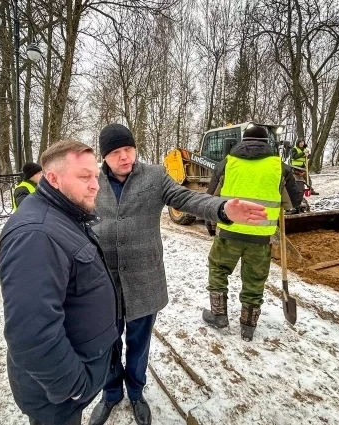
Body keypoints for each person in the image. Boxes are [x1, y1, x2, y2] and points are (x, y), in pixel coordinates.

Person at [89, 123, 268, 425]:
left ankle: (135, 393)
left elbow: (187, 199)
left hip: (144, 280)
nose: (124, 157)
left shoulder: (154, 176)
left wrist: (223, 208)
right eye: (116, 152)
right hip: (102, 283)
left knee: (138, 344)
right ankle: (110, 394)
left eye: (128, 149)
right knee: (106, 344)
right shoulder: (91, 181)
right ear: (104, 156)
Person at [0, 140, 119, 425]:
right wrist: (73, 386)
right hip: (56, 398)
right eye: (84, 177)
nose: (95, 185)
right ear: (53, 179)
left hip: (64, 389)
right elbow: (31, 334)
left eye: (96, 176)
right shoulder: (36, 235)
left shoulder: (63, 216)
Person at [203, 125, 302, 342]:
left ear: (243, 140)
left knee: (218, 270)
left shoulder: (228, 163)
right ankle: (248, 326)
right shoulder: (280, 167)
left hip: (228, 232)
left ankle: (218, 314)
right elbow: (294, 202)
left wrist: (211, 224)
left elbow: (209, 198)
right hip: (261, 238)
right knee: (255, 280)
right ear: (266, 141)